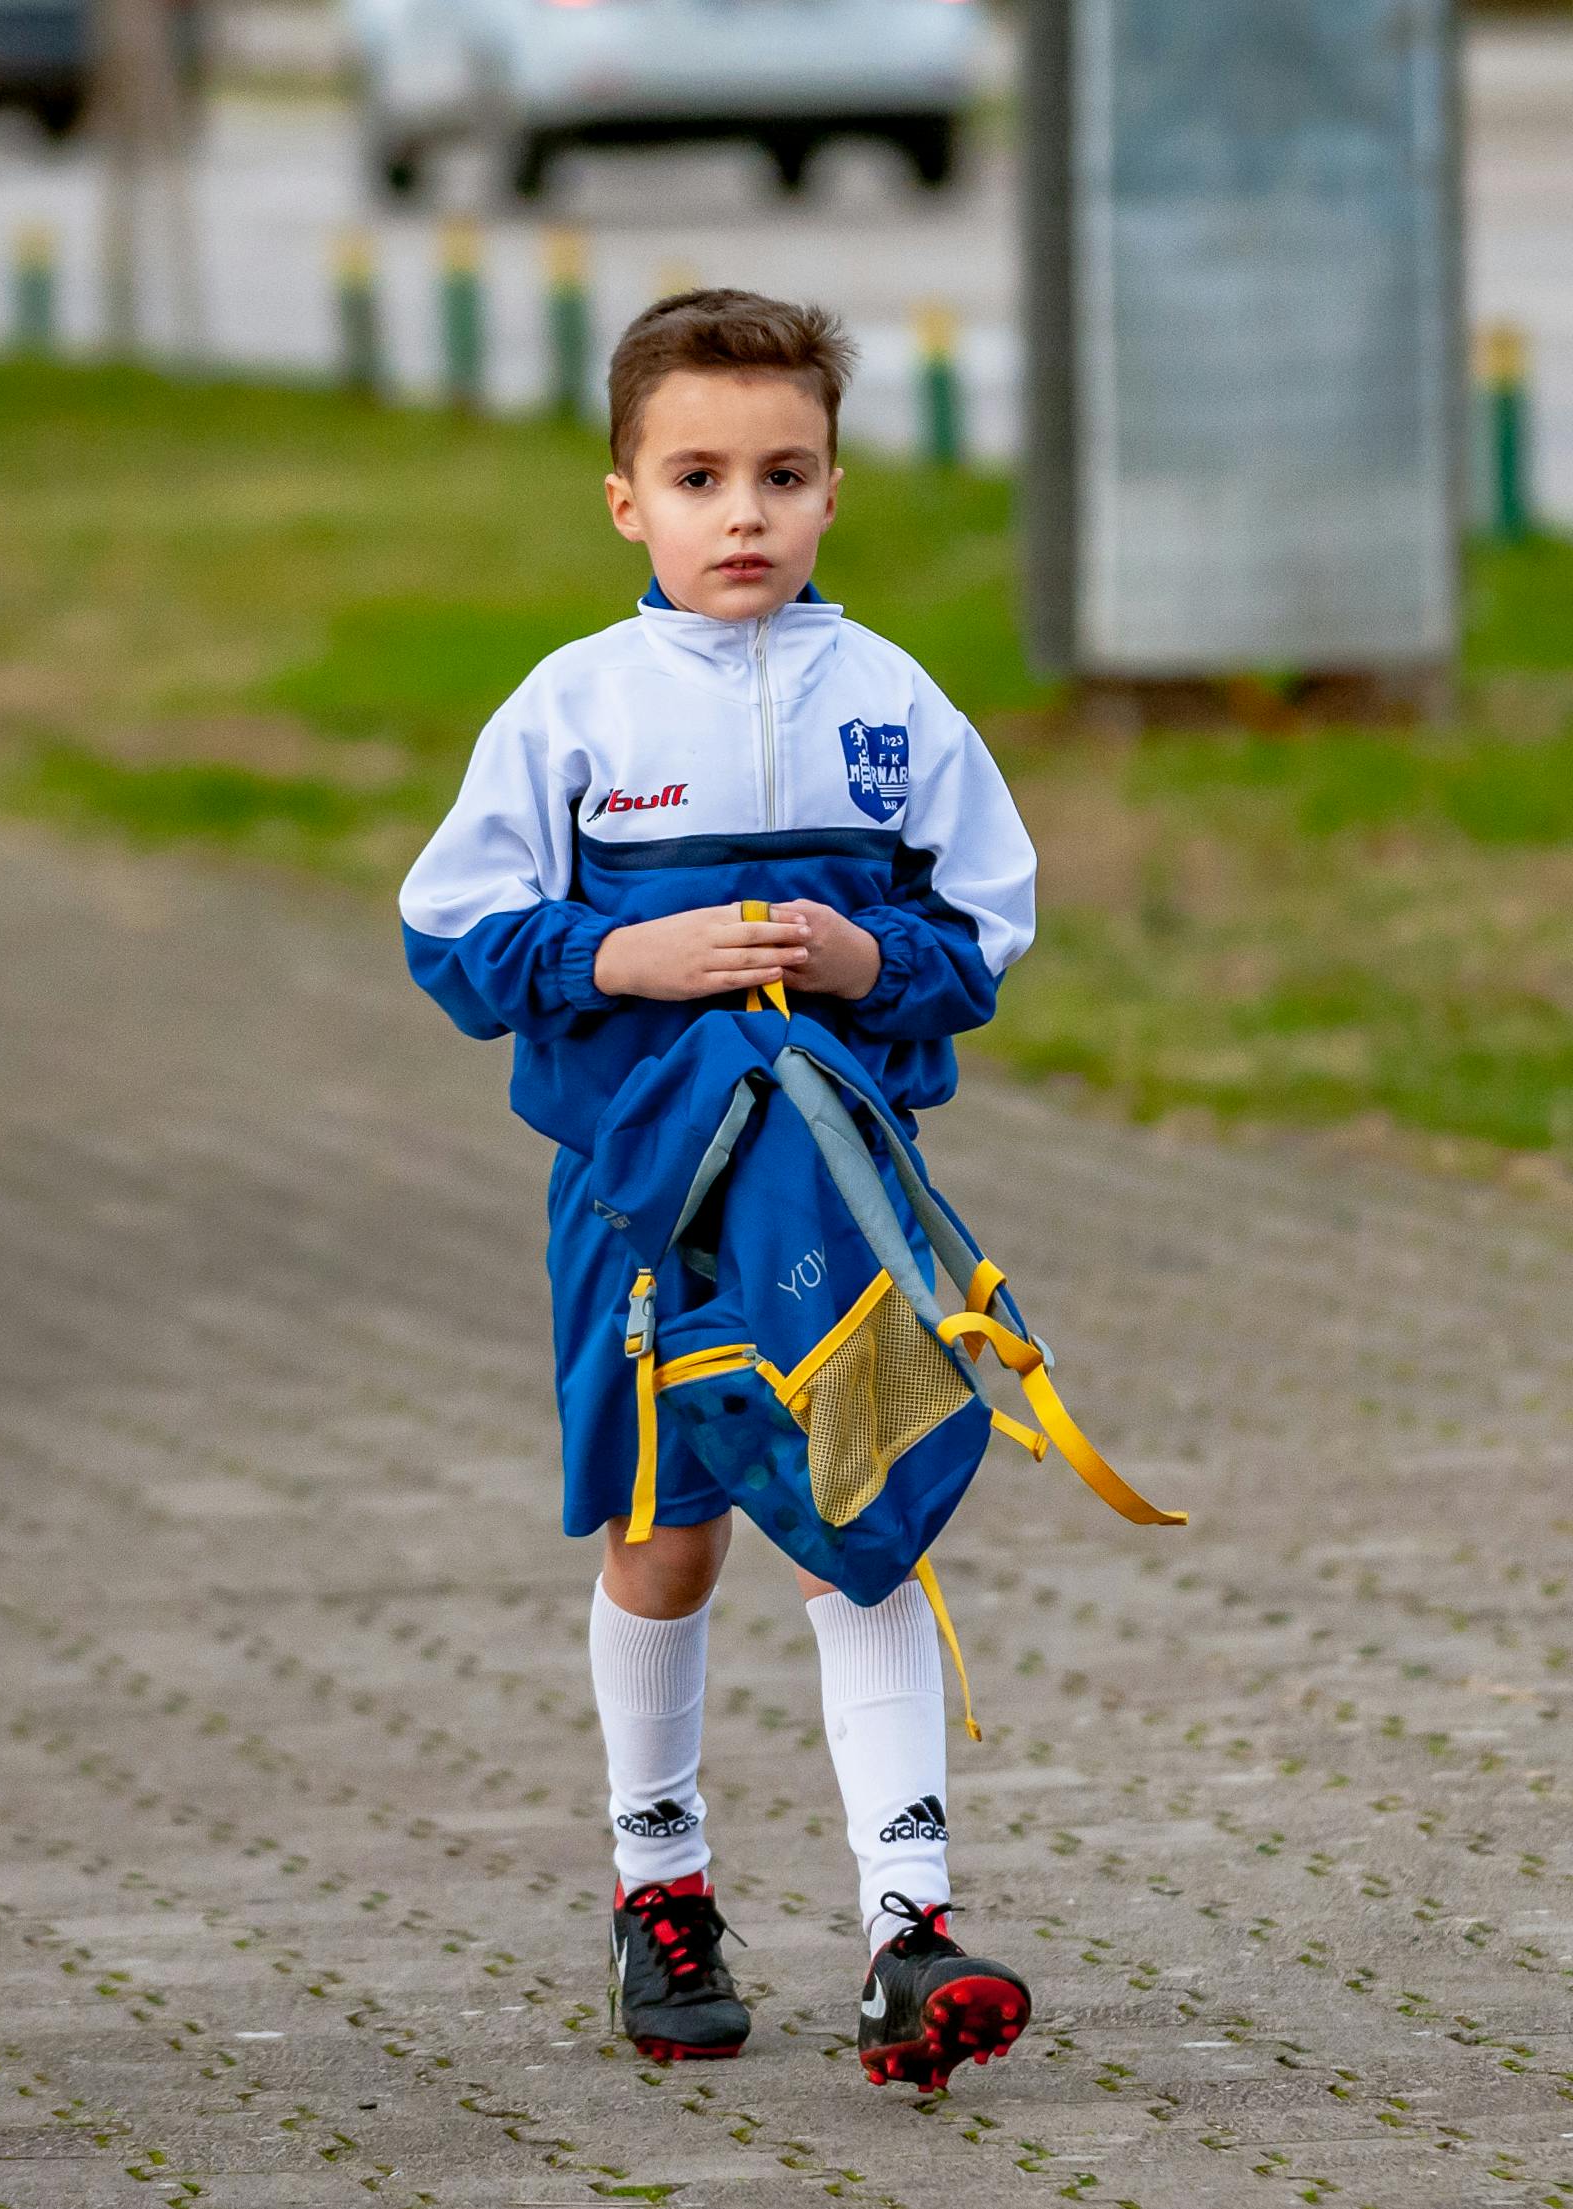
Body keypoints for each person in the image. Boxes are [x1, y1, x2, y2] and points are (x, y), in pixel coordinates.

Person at [397, 291, 1039, 2088]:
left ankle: (912, 1933)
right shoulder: (574, 708)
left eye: (782, 473)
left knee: (867, 1521)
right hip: (642, 1212)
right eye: (698, 476)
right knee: (667, 1541)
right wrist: (626, 956)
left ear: (834, 489)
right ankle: (657, 1886)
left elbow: (981, 929)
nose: (741, 512)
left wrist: (861, 954)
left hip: (840, 1198)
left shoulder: (893, 705)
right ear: (626, 501)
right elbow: (452, 936)